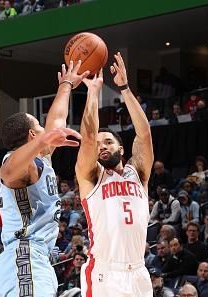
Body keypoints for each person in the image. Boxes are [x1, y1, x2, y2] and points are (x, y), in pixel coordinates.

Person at [0, 60, 88, 297]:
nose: (46, 130)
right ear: (33, 135)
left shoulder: (40, 158)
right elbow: (6, 173)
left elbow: (57, 121)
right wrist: (44, 141)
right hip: (25, 255)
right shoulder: (16, 163)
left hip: (34, 258)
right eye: (39, 127)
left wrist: (66, 85)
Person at [75, 52, 153, 296]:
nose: (102, 147)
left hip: (139, 271)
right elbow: (88, 138)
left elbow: (144, 135)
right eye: (99, 145)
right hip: (105, 273)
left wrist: (125, 89)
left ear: (121, 148)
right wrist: (93, 92)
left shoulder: (137, 172)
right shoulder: (91, 176)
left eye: (108, 142)